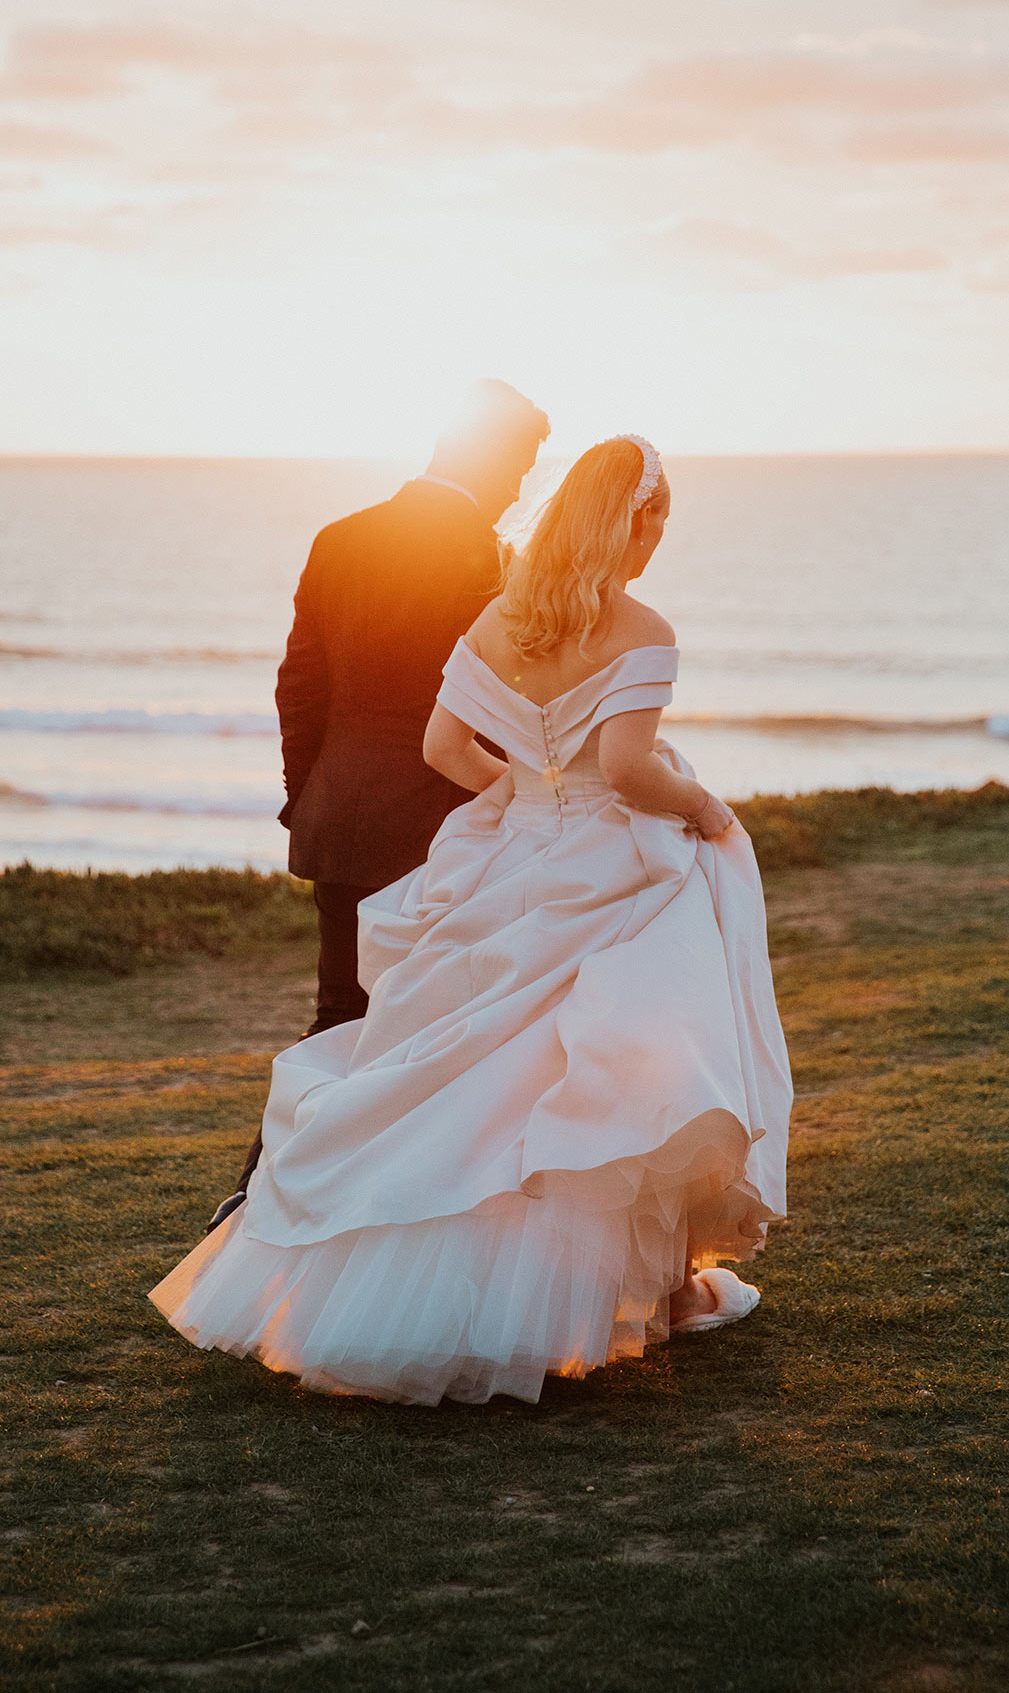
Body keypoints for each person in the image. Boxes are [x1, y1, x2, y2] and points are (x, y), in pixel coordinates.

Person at [152, 434, 793, 1405]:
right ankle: (648, 1292)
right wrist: (704, 811)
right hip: (608, 863)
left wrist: (520, 797)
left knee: (489, 1072)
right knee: (626, 1067)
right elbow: (624, 771)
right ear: (640, 521)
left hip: (514, 852)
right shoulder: (642, 627)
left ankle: (606, 1289)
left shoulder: (503, 618)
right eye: (660, 519)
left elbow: (444, 746)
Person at [203, 379, 549, 1232]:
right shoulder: (488, 562)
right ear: (496, 457)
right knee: (447, 1031)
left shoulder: (340, 539)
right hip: (447, 830)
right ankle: (415, 1223)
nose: (521, 489)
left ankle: (254, 1203)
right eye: (524, 466)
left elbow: (299, 688)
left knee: (340, 1020)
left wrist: (308, 799)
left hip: (344, 817)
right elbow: (500, 704)